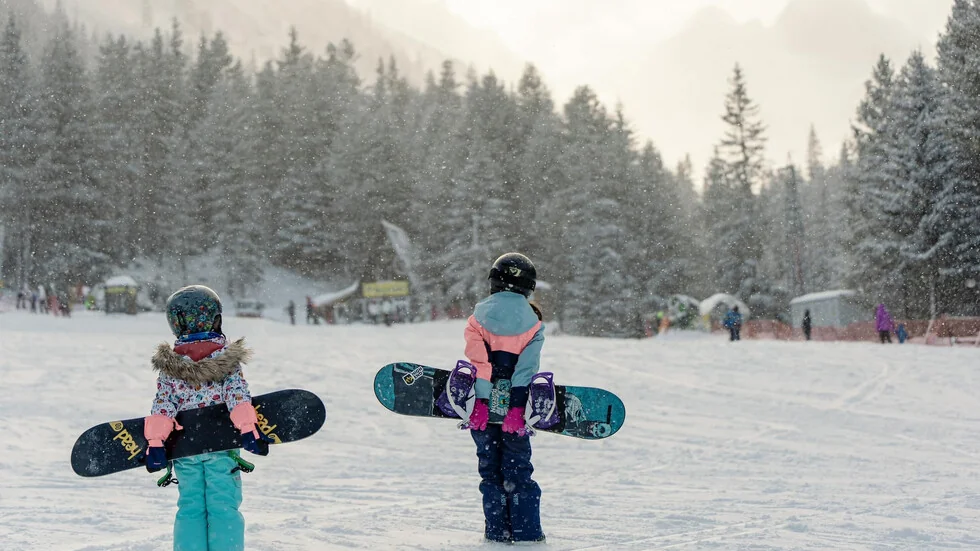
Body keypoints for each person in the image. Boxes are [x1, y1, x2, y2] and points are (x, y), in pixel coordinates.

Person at [144, 285, 271, 551]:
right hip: (220, 449)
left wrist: (155, 441)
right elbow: (237, 395)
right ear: (215, 318)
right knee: (223, 506)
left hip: (186, 451)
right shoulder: (225, 361)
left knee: (190, 507)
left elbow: (163, 404)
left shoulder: (171, 368)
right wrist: (249, 428)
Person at [463, 253, 546, 544]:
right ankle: (527, 534)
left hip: (481, 410)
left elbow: (479, 364)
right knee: (518, 470)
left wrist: (483, 403)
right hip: (516, 411)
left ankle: (497, 533)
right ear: (528, 287)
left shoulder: (477, 320)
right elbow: (525, 370)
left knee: (490, 470)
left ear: (494, 282)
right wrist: (516, 407)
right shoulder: (534, 325)